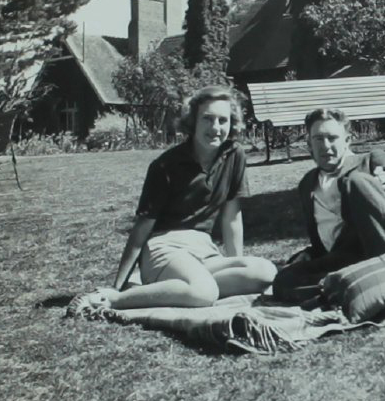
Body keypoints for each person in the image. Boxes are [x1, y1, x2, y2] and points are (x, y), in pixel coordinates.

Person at [72, 85, 277, 312]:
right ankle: (113, 300)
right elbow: (141, 229)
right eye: (207, 119)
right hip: (164, 247)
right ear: (193, 122)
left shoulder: (234, 154)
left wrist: (237, 269)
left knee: (265, 272)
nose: (216, 128)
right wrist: (117, 286)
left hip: (204, 249)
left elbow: (231, 218)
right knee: (204, 293)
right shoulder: (165, 166)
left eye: (223, 120)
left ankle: (178, 287)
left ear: (232, 123)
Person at [272, 108, 385, 303]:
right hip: (346, 257)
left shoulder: (371, 161)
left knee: (357, 181)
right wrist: (309, 253)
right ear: (309, 144)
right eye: (318, 139)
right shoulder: (307, 184)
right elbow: (324, 239)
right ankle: (358, 283)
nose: (326, 146)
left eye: (332, 138)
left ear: (347, 140)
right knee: (284, 280)